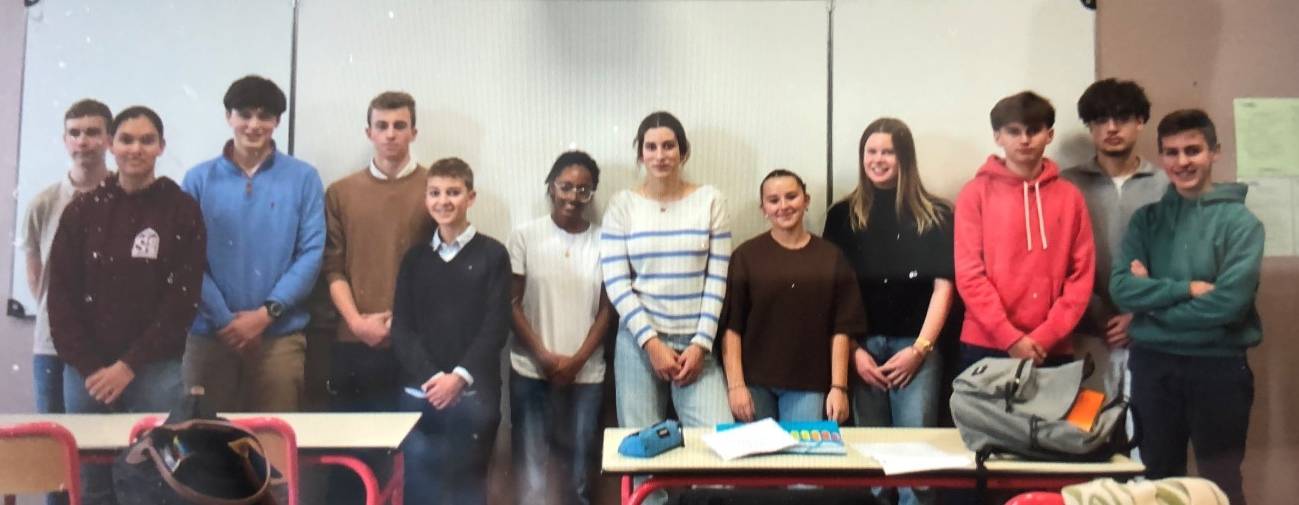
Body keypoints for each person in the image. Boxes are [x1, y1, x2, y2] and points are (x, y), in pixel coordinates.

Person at [47, 106, 206, 504]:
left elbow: (182, 300)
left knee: (159, 483)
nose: (136, 149)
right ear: (110, 145)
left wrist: (128, 365)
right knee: (92, 486)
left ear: (161, 147)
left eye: (147, 140)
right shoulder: (82, 211)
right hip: (88, 375)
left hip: (154, 370)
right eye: (127, 139)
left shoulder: (181, 210)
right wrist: (92, 368)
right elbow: (61, 297)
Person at [1110, 109, 1263, 505]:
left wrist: (1150, 303)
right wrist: (1186, 289)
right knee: (1157, 481)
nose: (1182, 162)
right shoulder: (1146, 221)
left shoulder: (1242, 224)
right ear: (1161, 157)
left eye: (1192, 150)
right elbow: (1122, 290)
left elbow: (1228, 306)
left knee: (1221, 482)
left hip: (1218, 368)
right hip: (1153, 366)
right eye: (1171, 152)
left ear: (1215, 152)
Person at [823, 118, 954, 505]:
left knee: (917, 463)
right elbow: (834, 292)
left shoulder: (936, 214)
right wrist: (854, 352)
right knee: (873, 462)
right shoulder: (842, 215)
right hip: (862, 352)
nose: (878, 160)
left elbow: (944, 287)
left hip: (916, 350)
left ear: (905, 158)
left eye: (888, 152)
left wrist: (920, 350)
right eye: (871, 151)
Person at [181, 75, 326, 413]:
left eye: (264, 116)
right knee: (204, 436)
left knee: (275, 437)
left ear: (277, 121)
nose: (254, 125)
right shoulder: (198, 179)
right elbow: (186, 260)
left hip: (278, 336)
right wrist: (224, 320)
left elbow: (311, 253)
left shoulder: (303, 178)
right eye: (244, 114)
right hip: (210, 335)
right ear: (228, 117)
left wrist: (265, 315)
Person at [322, 91, 433, 502]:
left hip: (416, 346)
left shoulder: (435, 189)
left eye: (399, 126)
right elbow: (333, 267)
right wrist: (357, 322)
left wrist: (401, 324)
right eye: (382, 126)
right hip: (355, 342)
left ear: (414, 132)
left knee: (417, 462)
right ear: (368, 132)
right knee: (354, 463)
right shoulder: (341, 192)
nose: (390, 135)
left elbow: (442, 270)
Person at [601, 111, 733, 429]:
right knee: (643, 444)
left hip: (696, 341)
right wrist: (651, 343)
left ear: (683, 151)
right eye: (651, 147)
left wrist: (701, 344)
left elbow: (717, 280)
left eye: (668, 146)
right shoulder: (622, 205)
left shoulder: (710, 201)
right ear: (641, 154)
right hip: (639, 342)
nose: (660, 155)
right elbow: (616, 282)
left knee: (719, 441)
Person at [391, 157, 510, 505]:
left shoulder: (493, 254)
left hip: (473, 396)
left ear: (470, 197)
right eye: (435, 193)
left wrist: (457, 378)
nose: (443, 201)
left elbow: (495, 326)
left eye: (453, 192)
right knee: (419, 490)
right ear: (426, 199)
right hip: (421, 394)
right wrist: (434, 379)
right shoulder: (415, 259)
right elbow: (402, 328)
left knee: (468, 490)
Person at [954, 91, 1096, 371]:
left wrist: (1047, 336)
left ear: (1049, 135)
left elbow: (1081, 277)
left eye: (1033, 130)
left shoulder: (1070, 197)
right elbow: (969, 274)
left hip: (1051, 346)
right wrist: (1010, 337)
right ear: (998, 136)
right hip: (986, 343)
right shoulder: (974, 194)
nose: (1024, 140)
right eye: (1014, 131)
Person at [508, 150, 614, 505]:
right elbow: (511, 303)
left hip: (587, 373)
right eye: (566, 186)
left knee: (581, 473)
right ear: (551, 187)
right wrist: (543, 356)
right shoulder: (525, 236)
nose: (573, 196)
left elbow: (607, 309)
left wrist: (577, 360)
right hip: (531, 369)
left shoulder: (605, 240)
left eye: (583, 189)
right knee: (533, 478)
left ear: (592, 193)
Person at [722, 169, 858, 424]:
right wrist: (736, 386)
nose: (783, 206)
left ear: (806, 200)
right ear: (763, 208)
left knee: (802, 451)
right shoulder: (745, 256)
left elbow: (841, 329)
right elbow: (732, 328)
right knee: (756, 451)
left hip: (808, 384)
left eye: (791, 197)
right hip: (754, 384)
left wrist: (839, 387)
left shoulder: (831, 258)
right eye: (773, 200)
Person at [1061, 78, 1167, 401]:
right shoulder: (1067, 185)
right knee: (1087, 425)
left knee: (1146, 426)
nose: (1111, 128)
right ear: (1090, 127)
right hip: (1086, 333)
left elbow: (1174, 259)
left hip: (1151, 331)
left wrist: (1139, 316)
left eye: (1121, 118)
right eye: (1100, 120)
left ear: (1140, 122)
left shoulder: (1164, 185)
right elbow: (1058, 261)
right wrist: (1098, 316)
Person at [21, 99, 112, 424]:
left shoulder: (126, 199)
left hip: (105, 348)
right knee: (51, 435)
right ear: (65, 140)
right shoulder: (43, 203)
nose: (82, 141)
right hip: (50, 345)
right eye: (74, 133)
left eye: (92, 132)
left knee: (99, 439)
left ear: (109, 139)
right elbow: (36, 274)